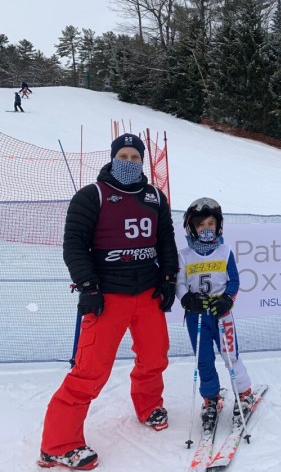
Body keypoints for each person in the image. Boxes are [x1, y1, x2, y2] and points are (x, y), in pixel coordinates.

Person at [39, 133, 178, 470]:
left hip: (146, 292)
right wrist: (87, 286)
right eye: (124, 156)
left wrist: (169, 278)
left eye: (135, 158)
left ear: (142, 162)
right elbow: (74, 244)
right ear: (113, 157)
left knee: (154, 355)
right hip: (108, 295)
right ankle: (57, 444)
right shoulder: (93, 195)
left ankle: (149, 406)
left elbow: (166, 242)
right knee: (91, 370)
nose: (129, 162)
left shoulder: (154, 197)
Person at [177, 197, 254, 429]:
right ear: (191, 227)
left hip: (221, 315)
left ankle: (244, 392)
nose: (206, 229)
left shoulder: (224, 251)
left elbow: (235, 281)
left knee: (230, 355)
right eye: (201, 225)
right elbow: (179, 284)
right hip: (196, 317)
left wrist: (227, 300)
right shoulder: (184, 255)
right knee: (204, 359)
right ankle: (211, 398)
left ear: (218, 226)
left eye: (211, 224)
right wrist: (188, 299)